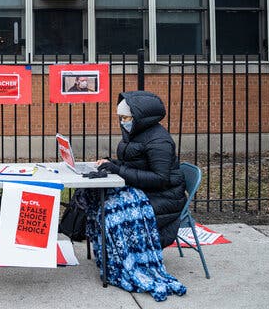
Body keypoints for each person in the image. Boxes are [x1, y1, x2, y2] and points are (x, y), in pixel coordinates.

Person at [76, 90, 187, 301]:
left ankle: (124, 263)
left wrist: (118, 170)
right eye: (121, 118)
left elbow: (159, 178)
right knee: (94, 199)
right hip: (145, 191)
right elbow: (134, 165)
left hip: (163, 197)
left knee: (111, 213)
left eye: (126, 118)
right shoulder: (137, 134)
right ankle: (108, 256)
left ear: (140, 118)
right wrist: (111, 164)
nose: (123, 122)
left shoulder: (159, 141)